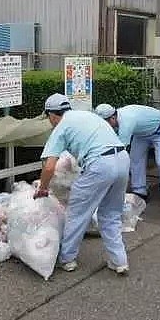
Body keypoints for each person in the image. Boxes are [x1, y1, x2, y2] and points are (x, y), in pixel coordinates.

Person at [34, 93, 130, 275]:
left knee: (77, 213)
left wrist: (43, 188)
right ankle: (119, 261)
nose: (50, 122)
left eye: (49, 118)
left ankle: (67, 259)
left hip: (100, 164)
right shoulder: (88, 115)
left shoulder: (61, 126)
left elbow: (49, 167)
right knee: (110, 214)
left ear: (52, 115)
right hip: (123, 159)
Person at [94, 103, 160, 209]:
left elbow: (119, 149)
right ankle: (140, 192)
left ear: (112, 117)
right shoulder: (117, 119)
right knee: (135, 159)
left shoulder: (127, 122)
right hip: (142, 133)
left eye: (105, 123)